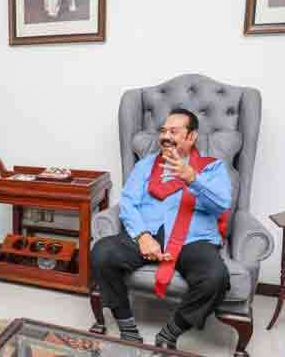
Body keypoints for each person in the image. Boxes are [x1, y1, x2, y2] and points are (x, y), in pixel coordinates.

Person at [91, 108, 231, 351]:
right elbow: (128, 203)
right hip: (149, 233)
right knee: (102, 252)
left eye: (174, 132)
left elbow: (221, 205)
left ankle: (170, 333)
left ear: (191, 137)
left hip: (192, 240)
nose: (166, 136)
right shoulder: (145, 165)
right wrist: (142, 236)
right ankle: (127, 329)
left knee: (215, 278)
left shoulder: (212, 168)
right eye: (163, 131)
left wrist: (192, 179)